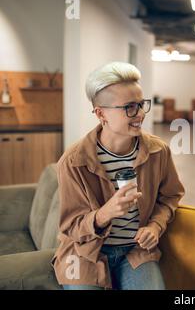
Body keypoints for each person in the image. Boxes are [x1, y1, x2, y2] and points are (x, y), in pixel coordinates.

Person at [52, 62, 185, 290]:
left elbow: (170, 196)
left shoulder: (158, 151)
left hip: (136, 251)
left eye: (141, 104)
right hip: (85, 253)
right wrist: (104, 214)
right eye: (130, 107)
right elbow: (71, 227)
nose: (140, 114)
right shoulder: (73, 161)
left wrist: (155, 226)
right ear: (101, 113)